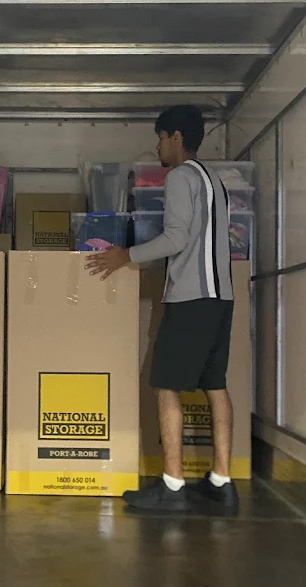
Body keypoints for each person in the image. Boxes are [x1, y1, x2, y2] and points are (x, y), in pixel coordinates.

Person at [85, 104, 238, 513]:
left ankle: (172, 486)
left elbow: (175, 239)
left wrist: (125, 255)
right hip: (221, 298)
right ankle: (222, 483)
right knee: (215, 385)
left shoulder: (180, 178)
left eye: (160, 137)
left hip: (190, 298)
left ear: (175, 137)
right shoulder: (214, 181)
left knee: (165, 384)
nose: (158, 146)